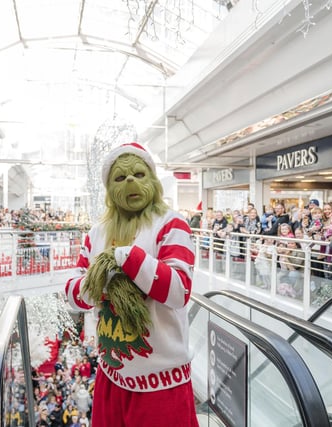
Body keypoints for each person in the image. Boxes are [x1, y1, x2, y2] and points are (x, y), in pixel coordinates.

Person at [65, 142, 199, 427]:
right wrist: (99, 282)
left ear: (152, 179)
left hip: (161, 382)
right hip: (110, 374)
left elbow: (179, 291)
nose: (130, 182)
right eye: (120, 177)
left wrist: (126, 256)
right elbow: (72, 294)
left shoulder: (171, 224)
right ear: (109, 189)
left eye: (139, 174)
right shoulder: (96, 233)